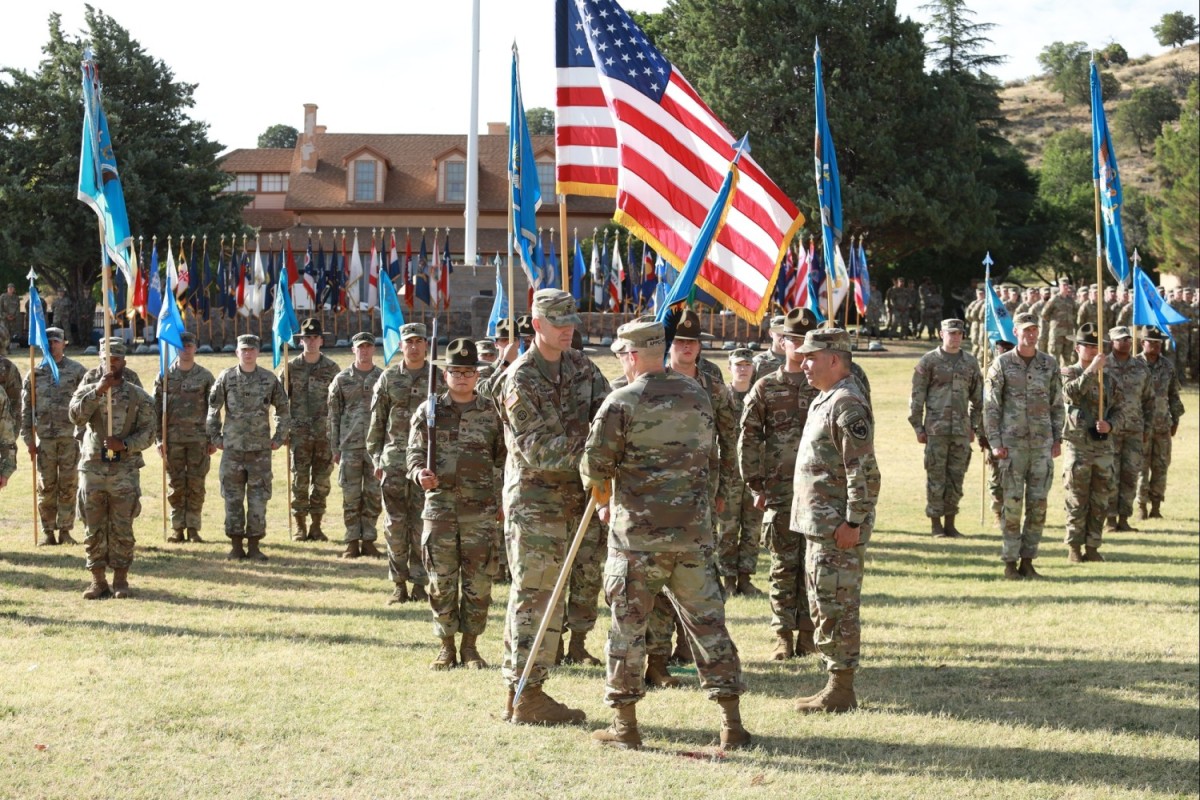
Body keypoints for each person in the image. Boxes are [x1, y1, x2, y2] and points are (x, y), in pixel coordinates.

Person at [582, 318, 750, 750]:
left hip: (637, 540)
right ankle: (731, 723)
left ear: (632, 356)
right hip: (692, 535)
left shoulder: (621, 402)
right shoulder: (697, 394)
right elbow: (711, 455)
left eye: (622, 354)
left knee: (627, 631)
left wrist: (604, 494)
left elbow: (594, 466)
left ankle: (626, 728)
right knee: (709, 625)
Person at [497, 289, 608, 726]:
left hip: (574, 501)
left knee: (557, 595)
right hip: (535, 502)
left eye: (570, 323)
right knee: (535, 596)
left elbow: (609, 413)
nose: (567, 330)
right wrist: (595, 453)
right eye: (557, 323)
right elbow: (536, 449)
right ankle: (525, 692)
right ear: (536, 325)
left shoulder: (582, 367)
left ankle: (523, 692)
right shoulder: (520, 379)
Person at [790, 327, 880, 713]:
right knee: (823, 604)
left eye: (811, 357)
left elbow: (864, 472)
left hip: (838, 529)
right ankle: (833, 681)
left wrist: (853, 521)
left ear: (834, 359)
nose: (803, 363)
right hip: (820, 525)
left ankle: (841, 689)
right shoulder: (825, 399)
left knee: (838, 606)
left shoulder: (846, 404)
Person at [407, 339, 506, 670]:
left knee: (478, 583)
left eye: (468, 372)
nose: (462, 377)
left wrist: (504, 498)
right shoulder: (429, 410)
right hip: (440, 509)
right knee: (441, 580)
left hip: (480, 510)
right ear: (445, 374)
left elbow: (505, 460)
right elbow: (413, 453)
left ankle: (471, 647)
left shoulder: (492, 412)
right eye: (455, 371)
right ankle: (446, 646)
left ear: (477, 375)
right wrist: (419, 473)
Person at [739, 308, 819, 661]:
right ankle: (783, 636)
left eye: (806, 341)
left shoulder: (828, 384)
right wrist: (756, 484)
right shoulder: (766, 387)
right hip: (781, 490)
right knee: (783, 566)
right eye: (793, 340)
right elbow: (749, 437)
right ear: (782, 341)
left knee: (814, 567)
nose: (799, 347)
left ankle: (809, 634)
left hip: (820, 491)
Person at [68, 340, 156, 599]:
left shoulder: (138, 396)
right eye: (107, 358)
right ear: (100, 359)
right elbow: (75, 416)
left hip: (124, 470)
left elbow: (149, 433)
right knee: (93, 526)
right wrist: (97, 391)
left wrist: (125, 444)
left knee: (121, 526)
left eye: (117, 358)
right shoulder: (87, 389)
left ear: (124, 363)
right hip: (92, 468)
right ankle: (98, 581)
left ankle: (120, 580)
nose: (112, 362)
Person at [984, 313, 1065, 580]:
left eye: (1035, 330)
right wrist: (995, 443)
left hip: (1041, 446)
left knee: (1038, 506)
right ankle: (1009, 562)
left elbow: (1057, 404)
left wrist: (1056, 439)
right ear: (1015, 332)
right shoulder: (1002, 364)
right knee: (1012, 506)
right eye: (1026, 330)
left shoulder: (1049, 364)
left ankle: (1028, 560)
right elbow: (991, 407)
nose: (1031, 335)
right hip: (1012, 447)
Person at [207, 334, 290, 561]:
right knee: (232, 499)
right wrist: (216, 437)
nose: (248, 353)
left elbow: (283, 408)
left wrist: (279, 436)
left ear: (258, 352)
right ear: (237, 353)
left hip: (260, 451)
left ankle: (254, 545)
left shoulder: (269, 379)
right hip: (233, 450)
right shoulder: (226, 377)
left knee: (258, 499)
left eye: (252, 350)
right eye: (243, 350)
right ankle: (235, 546)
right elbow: (213, 409)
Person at [367, 322, 433, 603]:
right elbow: (377, 422)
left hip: (427, 463)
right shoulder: (388, 378)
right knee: (394, 526)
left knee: (422, 525)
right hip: (394, 461)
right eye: (409, 341)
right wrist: (375, 457)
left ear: (426, 345)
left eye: (419, 341)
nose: (414, 346)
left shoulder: (438, 378)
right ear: (400, 345)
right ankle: (399, 584)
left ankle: (420, 583)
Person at [908, 319, 984, 538]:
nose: (955, 337)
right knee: (936, 476)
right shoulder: (929, 361)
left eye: (959, 333)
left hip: (961, 430)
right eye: (951, 333)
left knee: (956, 477)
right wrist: (918, 427)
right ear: (941, 334)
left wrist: (975, 426)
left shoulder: (970, 362)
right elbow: (917, 396)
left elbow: (978, 399)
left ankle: (951, 523)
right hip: (936, 429)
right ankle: (935, 524)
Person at [1060, 324, 1123, 563]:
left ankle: (1093, 545)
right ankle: (1074, 546)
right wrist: (1091, 370)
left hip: (1103, 446)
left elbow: (1120, 410)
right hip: (1079, 444)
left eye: (1096, 347)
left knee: (1101, 499)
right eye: (1088, 346)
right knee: (1077, 497)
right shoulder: (1069, 372)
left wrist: (1111, 425)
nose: (1093, 350)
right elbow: (1070, 394)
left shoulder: (1109, 380)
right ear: (1077, 348)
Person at [21, 327, 87, 545]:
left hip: (70, 437)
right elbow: (26, 410)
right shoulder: (35, 372)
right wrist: (29, 439)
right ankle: (48, 531)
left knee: (68, 485)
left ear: (64, 343)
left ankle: (65, 530)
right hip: (45, 440)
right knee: (46, 486)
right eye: (48, 341)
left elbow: (88, 405)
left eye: (56, 341)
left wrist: (85, 434)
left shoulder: (77, 371)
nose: (52, 344)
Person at [281, 318, 340, 542]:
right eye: (307, 338)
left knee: (322, 481)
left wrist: (337, 434)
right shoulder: (290, 368)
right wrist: (283, 430)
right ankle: (299, 527)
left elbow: (338, 404)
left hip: (324, 434)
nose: (311, 342)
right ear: (301, 341)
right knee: (300, 481)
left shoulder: (332, 369)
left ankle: (316, 526)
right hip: (299, 435)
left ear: (321, 341)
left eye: (315, 338)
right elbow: (280, 403)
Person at [154, 331, 215, 543]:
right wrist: (159, 440)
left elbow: (213, 409)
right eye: (182, 346)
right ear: (176, 348)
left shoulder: (206, 377)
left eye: (190, 345)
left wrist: (213, 438)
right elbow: (156, 410)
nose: (186, 349)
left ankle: (194, 528)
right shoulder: (165, 376)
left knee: (196, 485)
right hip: (173, 440)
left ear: (196, 348)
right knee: (176, 485)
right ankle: (177, 528)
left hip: (199, 440)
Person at [328, 332, 385, 559]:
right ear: (353, 349)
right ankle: (352, 541)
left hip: (375, 448)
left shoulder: (383, 377)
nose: (364, 351)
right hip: (349, 446)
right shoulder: (341, 380)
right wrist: (334, 448)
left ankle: (369, 540)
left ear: (373, 350)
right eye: (360, 347)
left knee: (373, 495)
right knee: (351, 496)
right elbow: (333, 415)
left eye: (368, 347)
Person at [718, 348, 763, 597]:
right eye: (738, 365)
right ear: (730, 368)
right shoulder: (722, 396)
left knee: (752, 528)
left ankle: (745, 579)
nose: (743, 369)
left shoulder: (760, 395)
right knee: (727, 528)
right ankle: (728, 581)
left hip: (755, 473)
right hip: (729, 474)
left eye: (748, 364)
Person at [1103, 327, 1152, 532]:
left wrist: (1147, 428)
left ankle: (1124, 518)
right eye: (1120, 339)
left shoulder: (1141, 368)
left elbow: (1149, 400)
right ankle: (1110, 519)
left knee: (1130, 476)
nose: (1125, 342)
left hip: (1134, 429)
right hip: (1111, 430)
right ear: (1111, 342)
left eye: (1128, 339)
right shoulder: (1104, 365)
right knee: (1110, 475)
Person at [1136, 328, 1185, 520]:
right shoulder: (1135, 365)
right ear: (1142, 343)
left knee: (1161, 466)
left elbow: (1174, 395)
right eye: (1151, 342)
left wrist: (1176, 420)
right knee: (1141, 466)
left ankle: (1156, 506)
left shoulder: (1167, 366)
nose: (1155, 346)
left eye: (1158, 343)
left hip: (1163, 425)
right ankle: (1141, 506)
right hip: (1140, 426)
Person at [1040, 279, 1077, 367]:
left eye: (1067, 285)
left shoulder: (1070, 300)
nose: (1065, 287)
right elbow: (1044, 313)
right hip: (1057, 333)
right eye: (1063, 285)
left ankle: (1066, 378)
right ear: (1059, 286)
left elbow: (1075, 312)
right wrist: (1054, 323)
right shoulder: (1054, 299)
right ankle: (1054, 378)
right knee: (1054, 358)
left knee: (1068, 358)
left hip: (1068, 334)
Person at [752, 315, 786, 381]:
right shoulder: (757, 362)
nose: (783, 336)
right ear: (771, 333)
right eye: (779, 332)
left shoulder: (798, 361)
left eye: (786, 333)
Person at [0, 283, 20, 348]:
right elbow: (0, 308)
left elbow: (18, 309)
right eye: (9, 288)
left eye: (12, 288)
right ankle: (2, 348)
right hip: (4, 319)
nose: (11, 289)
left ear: (14, 289)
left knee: (10, 334)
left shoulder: (16, 298)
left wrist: (14, 316)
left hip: (12, 320)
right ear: (7, 289)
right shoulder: (3, 297)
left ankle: (8, 348)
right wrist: (6, 316)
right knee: (3, 333)